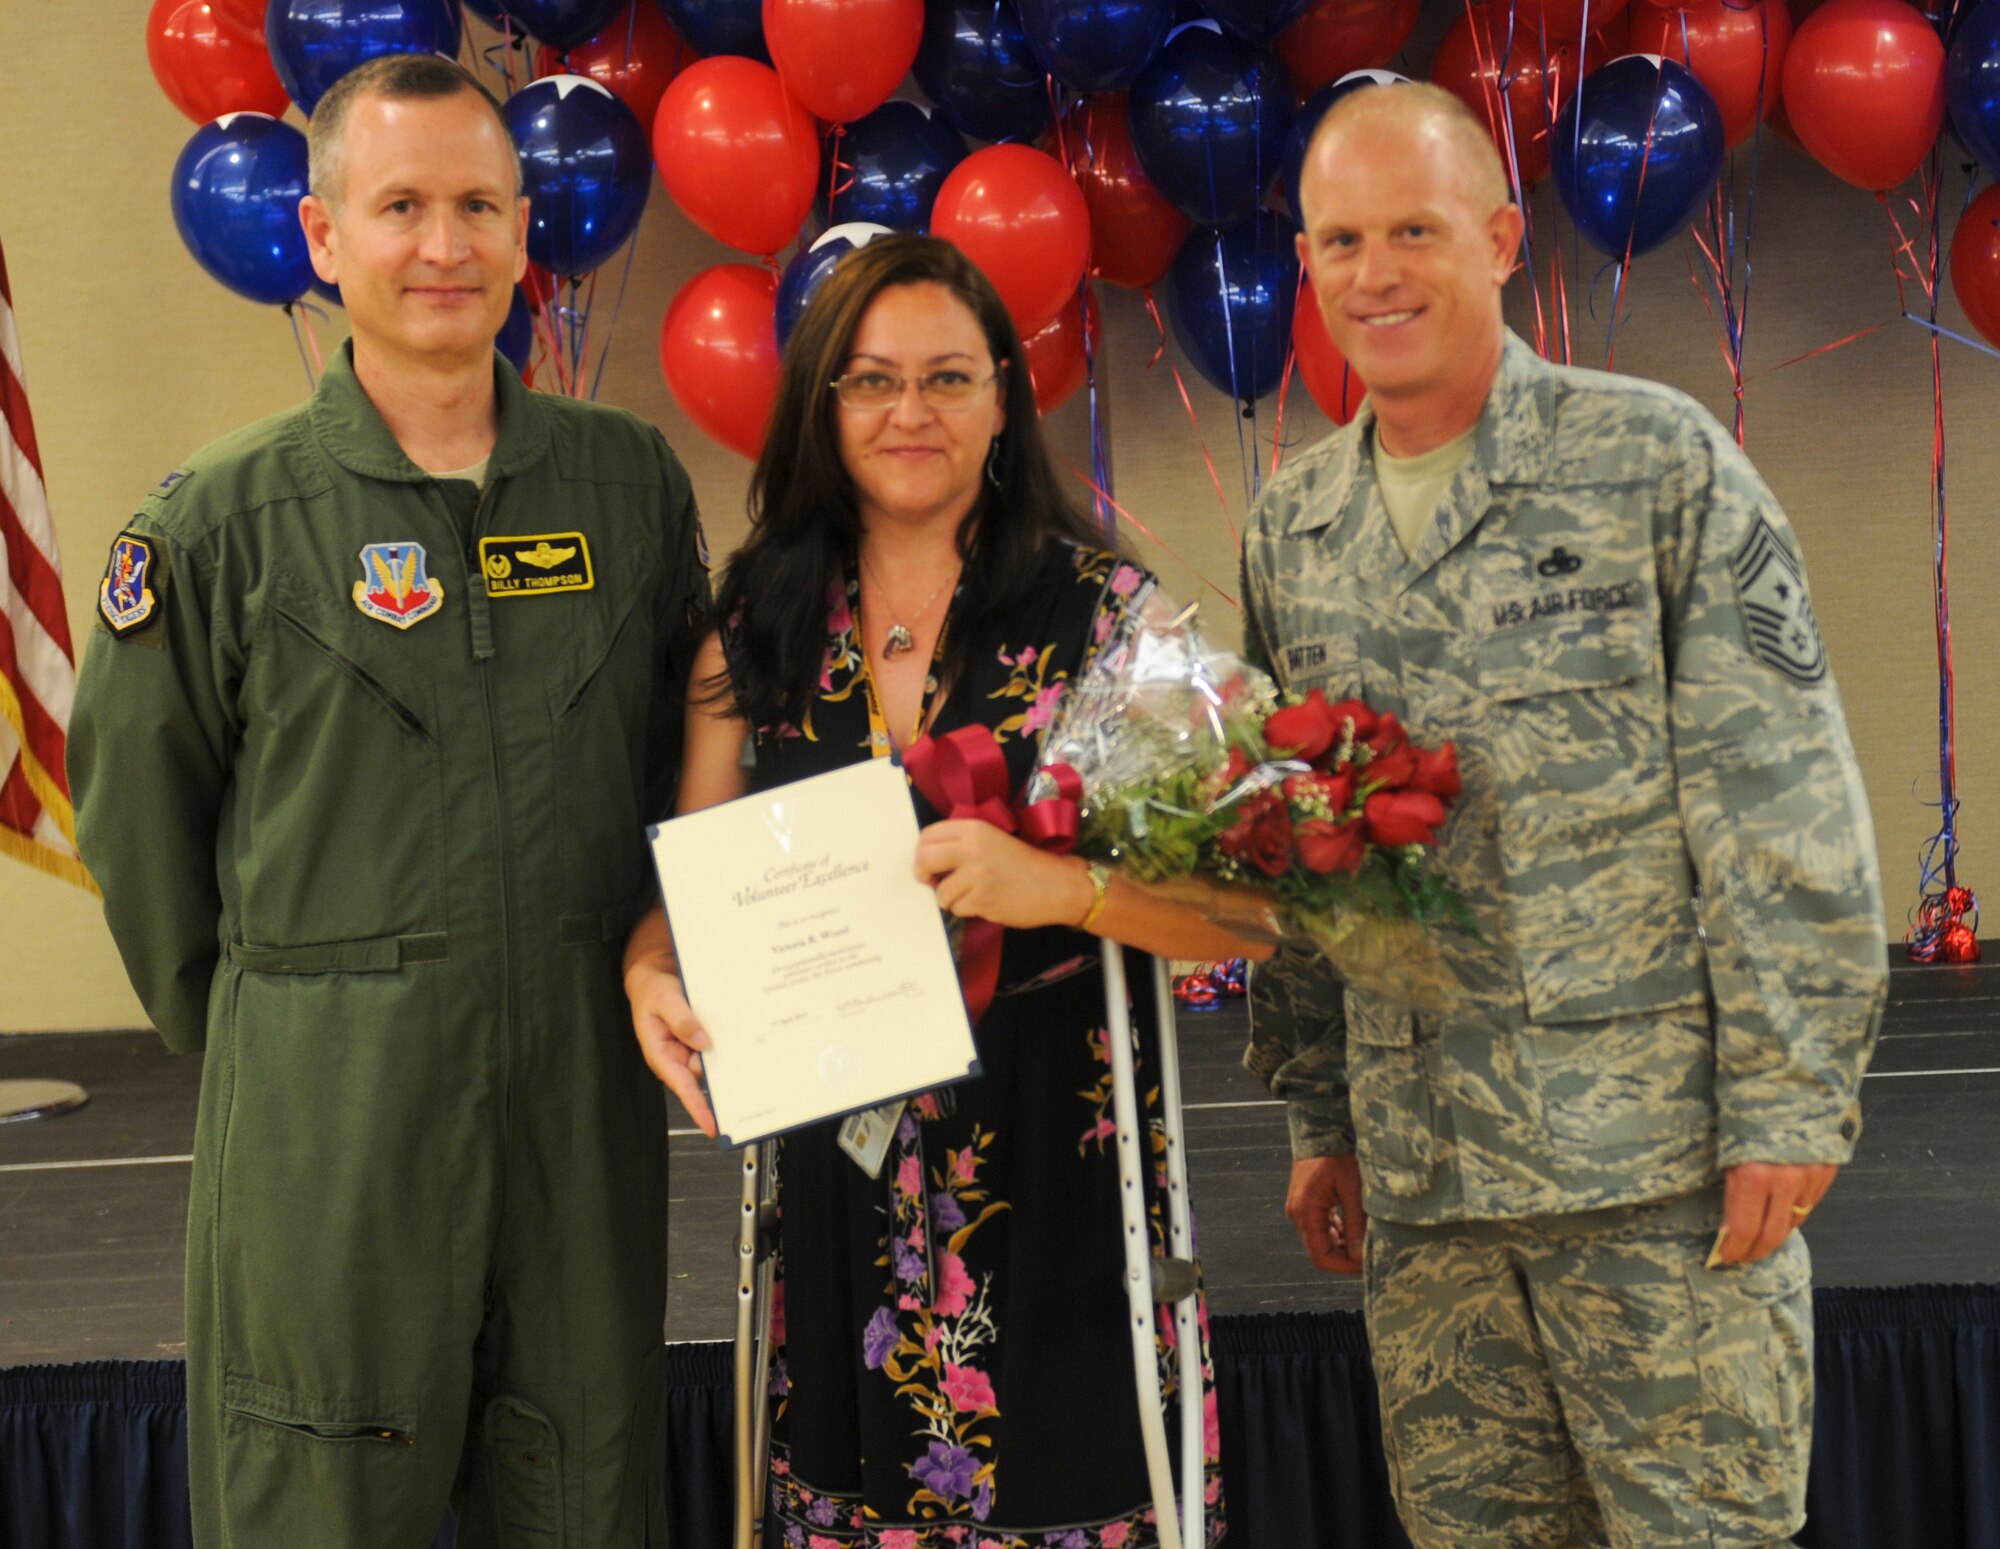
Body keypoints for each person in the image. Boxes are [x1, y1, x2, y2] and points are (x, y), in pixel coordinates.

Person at [68, 55, 706, 1548]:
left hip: (578, 1118)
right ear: (322, 235)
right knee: (319, 1500)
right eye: (401, 204)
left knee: (585, 1489)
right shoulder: (221, 522)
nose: (444, 244)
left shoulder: (627, 489)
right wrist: (286, 1028)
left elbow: (690, 759)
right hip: (328, 1123)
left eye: (479, 204)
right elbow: (140, 817)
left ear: (524, 226)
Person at [1240, 83, 1888, 1549]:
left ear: (1503, 238)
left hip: (1654, 1177)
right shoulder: (1297, 525)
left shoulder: (1651, 466)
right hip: (1428, 1198)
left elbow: (1778, 789)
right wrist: (1318, 1107)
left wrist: (1791, 1095)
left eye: (1414, 228)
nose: (1377, 272)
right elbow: (1302, 837)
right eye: (1340, 239)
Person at [625, 234, 1249, 1545]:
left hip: (1064, 1192)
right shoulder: (753, 630)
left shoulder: (1115, 621)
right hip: (841, 1188)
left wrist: (1063, 887)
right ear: (821, 406)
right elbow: (690, 884)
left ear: (1006, 403)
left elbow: (1245, 912)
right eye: (870, 380)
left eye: (950, 378)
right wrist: (647, 971)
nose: (910, 412)